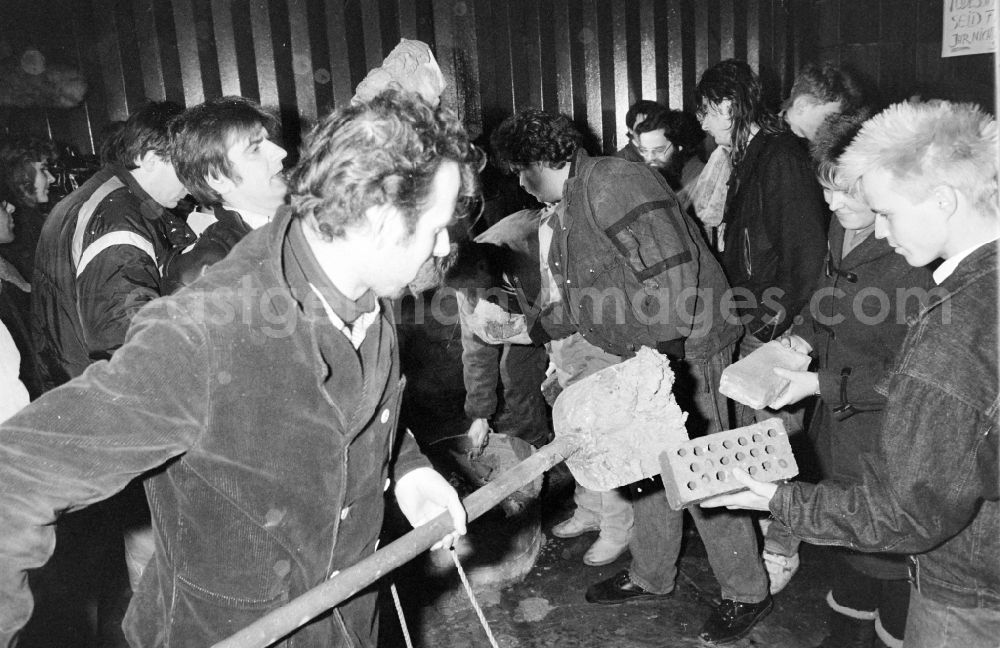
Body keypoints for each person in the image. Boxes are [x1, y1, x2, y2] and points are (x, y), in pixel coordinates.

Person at [0, 89, 474, 647]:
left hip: (346, 623)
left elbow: (354, 411)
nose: (444, 245)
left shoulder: (364, 294)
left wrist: (411, 471)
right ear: (375, 217)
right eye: (435, 226)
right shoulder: (204, 330)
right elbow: (15, 477)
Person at [703, 100, 999, 648]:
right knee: (857, 573)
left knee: (891, 581)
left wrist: (775, 499)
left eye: (881, 209)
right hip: (868, 459)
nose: (878, 231)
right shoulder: (959, 273)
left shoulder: (947, 306)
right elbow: (826, 299)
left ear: (940, 199)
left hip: (959, 570)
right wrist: (799, 341)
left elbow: (906, 512)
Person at [492, 108, 772, 644]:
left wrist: (661, 368)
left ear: (538, 160)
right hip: (648, 353)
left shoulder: (614, 182)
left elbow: (675, 268)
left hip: (686, 348)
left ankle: (746, 591)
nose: (520, 184)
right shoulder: (572, 202)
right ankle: (652, 574)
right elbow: (585, 295)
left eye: (519, 171)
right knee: (646, 467)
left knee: (702, 470)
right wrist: (527, 329)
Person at [765, 112, 932, 647]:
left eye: (843, 195)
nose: (831, 206)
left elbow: (907, 376)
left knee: (887, 559)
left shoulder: (918, 258)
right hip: (838, 431)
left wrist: (819, 386)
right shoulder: (846, 220)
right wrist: (803, 338)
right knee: (847, 549)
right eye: (826, 191)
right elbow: (826, 297)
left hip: (887, 437)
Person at [30, 100, 195, 393]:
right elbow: (122, 337)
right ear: (149, 159)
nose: (192, 183)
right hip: (103, 399)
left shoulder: (107, 193)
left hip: (74, 383)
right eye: (185, 168)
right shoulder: (119, 216)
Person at [164, 96, 288, 291]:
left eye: (269, 141)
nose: (281, 152)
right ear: (218, 179)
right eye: (255, 148)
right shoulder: (206, 273)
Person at [618, 103, 707, 212]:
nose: (649, 158)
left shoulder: (700, 176)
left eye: (658, 150)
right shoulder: (655, 176)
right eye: (644, 151)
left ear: (678, 147)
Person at [0, 137, 56, 279]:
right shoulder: (17, 223)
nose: (52, 178)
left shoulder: (28, 214)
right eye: (43, 170)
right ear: (23, 174)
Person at [783, 63, 865, 144]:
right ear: (801, 106)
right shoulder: (781, 147)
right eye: (829, 117)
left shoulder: (801, 140)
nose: (835, 128)